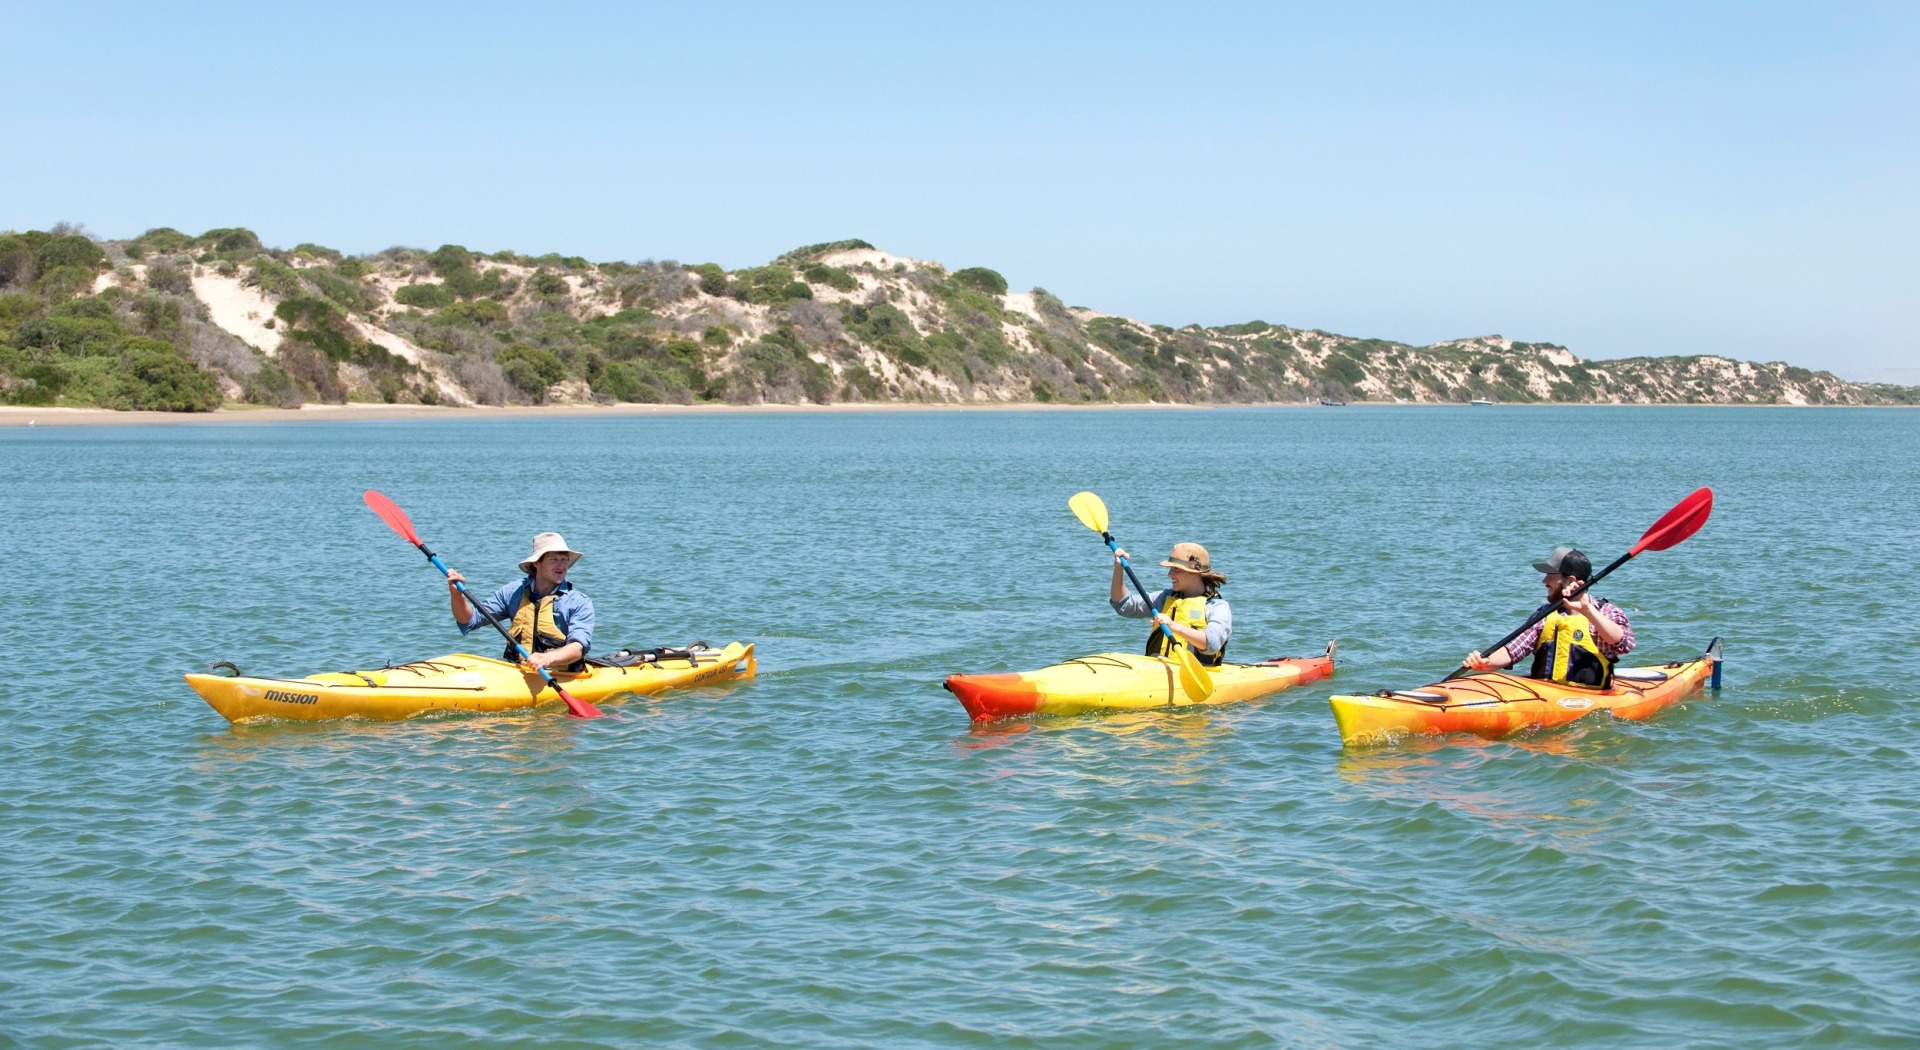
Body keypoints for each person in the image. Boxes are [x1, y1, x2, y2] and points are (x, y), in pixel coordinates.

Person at [1464, 546, 1634, 687]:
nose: (1544, 581)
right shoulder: (1544, 614)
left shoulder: (1607, 612)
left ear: (1571, 581)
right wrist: (1485, 662)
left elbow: (1624, 644)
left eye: (1551, 576)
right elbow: (1514, 650)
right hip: (1547, 696)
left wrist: (1588, 610)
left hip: (1590, 698)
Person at [447, 532, 595, 672]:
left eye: (564, 560)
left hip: (560, 675)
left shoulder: (579, 602)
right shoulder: (514, 592)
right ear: (536, 563)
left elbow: (578, 647)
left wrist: (547, 659)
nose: (561, 566)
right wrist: (457, 594)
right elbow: (469, 620)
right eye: (554, 559)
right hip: (516, 671)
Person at [1110, 541, 1232, 666]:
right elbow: (1123, 605)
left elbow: (1212, 643)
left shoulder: (1217, 607)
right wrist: (1119, 569)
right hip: (1159, 671)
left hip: (1196, 674)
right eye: (1170, 569)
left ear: (1194, 572)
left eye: (1176, 569)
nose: (1170, 574)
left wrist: (1173, 625)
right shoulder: (1165, 598)